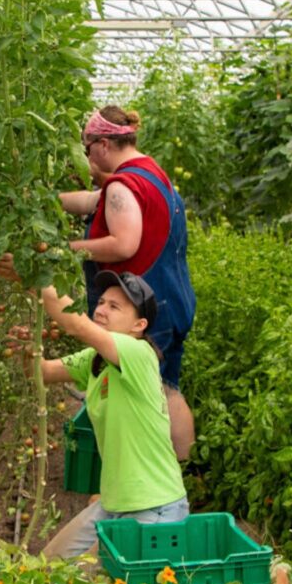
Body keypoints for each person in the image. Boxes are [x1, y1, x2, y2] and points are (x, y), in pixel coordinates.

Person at [59, 106, 196, 460]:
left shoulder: (122, 184)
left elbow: (124, 243)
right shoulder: (150, 173)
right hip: (172, 298)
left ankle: (151, 480)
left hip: (145, 307)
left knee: (144, 395)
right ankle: (181, 472)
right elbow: (95, 202)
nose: (88, 158)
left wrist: (66, 250)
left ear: (103, 144)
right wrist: (50, 203)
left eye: (87, 150)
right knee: (167, 387)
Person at [27, 271, 189, 558]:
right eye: (101, 302)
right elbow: (44, 372)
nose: (100, 310)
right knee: (48, 565)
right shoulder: (96, 360)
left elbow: (78, 326)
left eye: (114, 307)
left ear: (139, 325)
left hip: (154, 507)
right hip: (113, 503)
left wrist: (33, 277)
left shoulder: (138, 353)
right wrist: (26, 350)